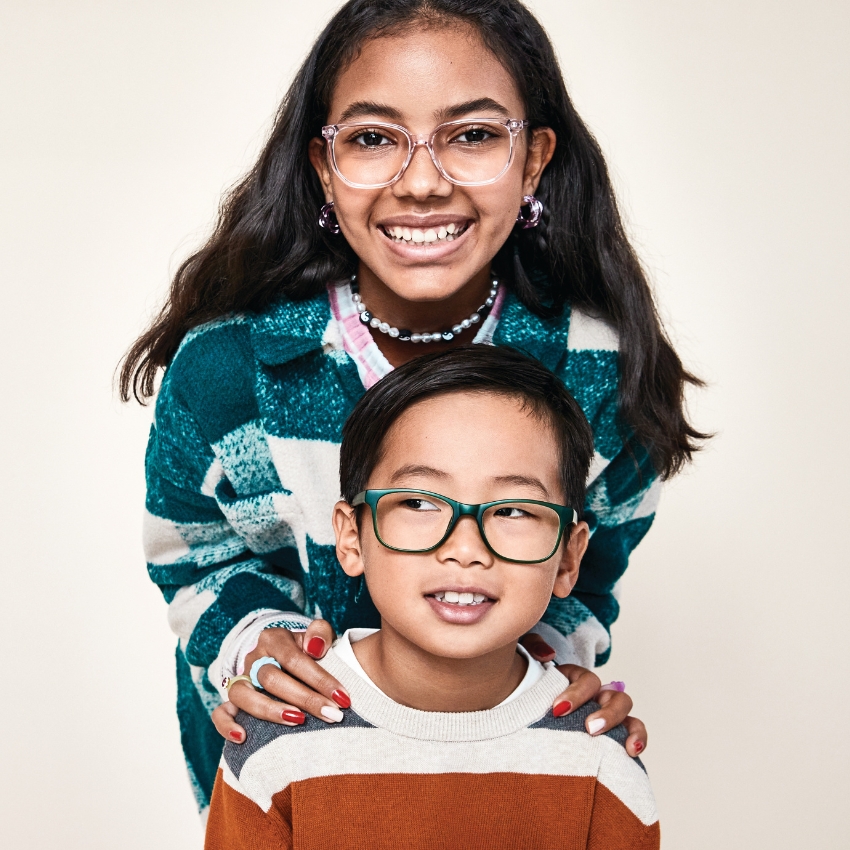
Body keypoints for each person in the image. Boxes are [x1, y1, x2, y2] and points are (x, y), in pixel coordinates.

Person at [123, 0, 703, 814]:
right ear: (322, 166)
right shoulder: (230, 370)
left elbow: (589, 565)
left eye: (471, 136)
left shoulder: (599, 372)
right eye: (372, 138)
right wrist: (255, 645)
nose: (423, 181)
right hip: (302, 782)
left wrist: (558, 663)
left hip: (501, 779)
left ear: (532, 159)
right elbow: (195, 550)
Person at [205, 345, 660, 849]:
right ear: (352, 538)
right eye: (418, 501)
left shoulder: (600, 758)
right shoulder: (272, 745)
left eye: (512, 510)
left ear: (569, 558)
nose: (464, 549)